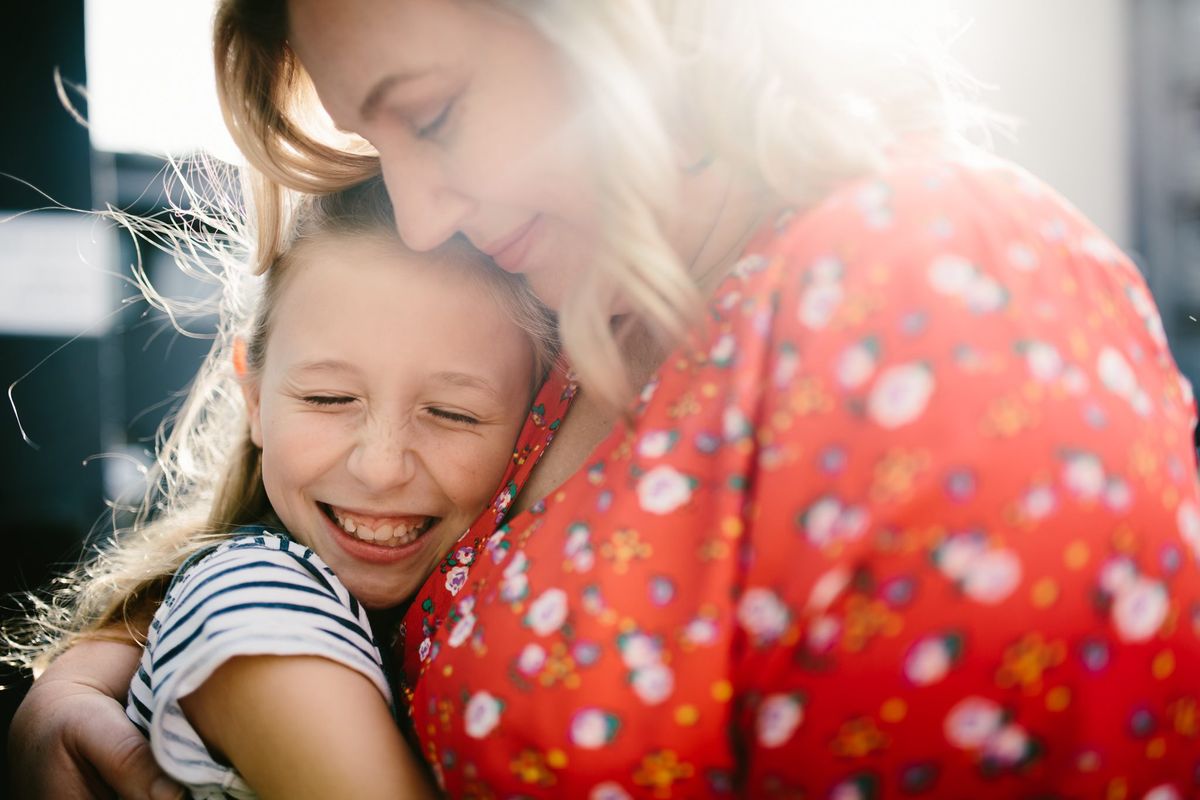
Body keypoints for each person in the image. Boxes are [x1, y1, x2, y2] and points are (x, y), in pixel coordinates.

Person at [11, 1, 1200, 797]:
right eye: (381, 142)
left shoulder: (933, 287)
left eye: (431, 115)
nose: (424, 217)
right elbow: (326, 565)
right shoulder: (576, 310)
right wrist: (96, 671)